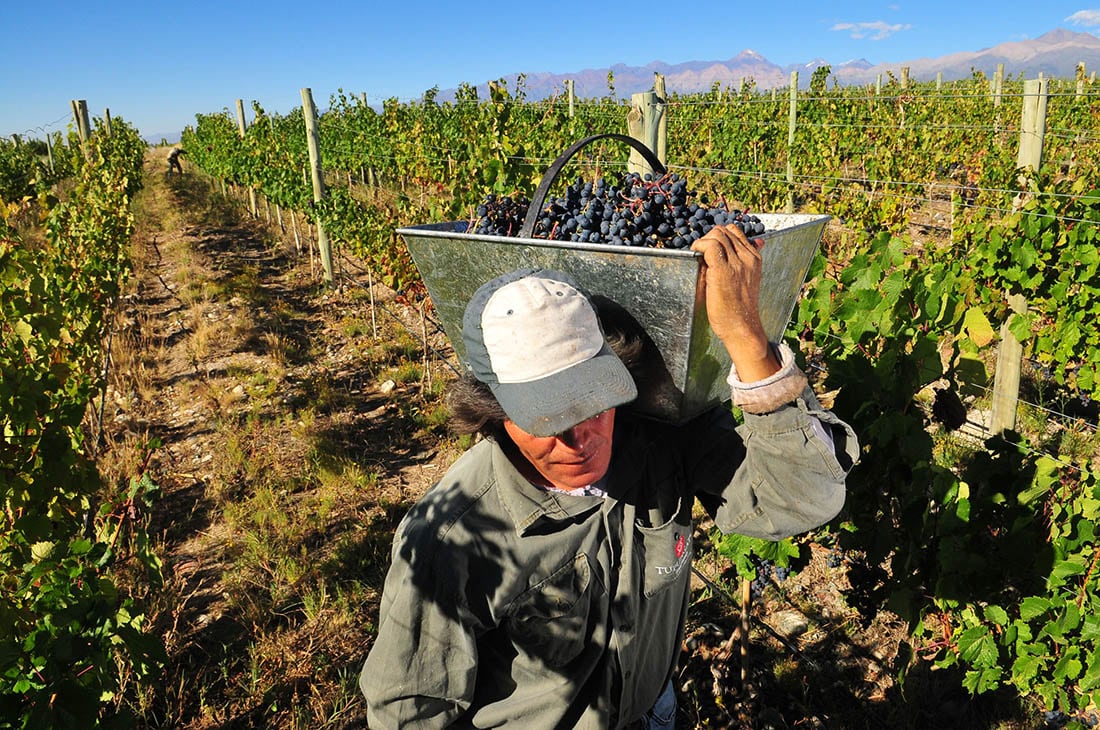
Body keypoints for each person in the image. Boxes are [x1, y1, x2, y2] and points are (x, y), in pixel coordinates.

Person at [359, 224, 859, 728]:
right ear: (493, 412)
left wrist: (748, 339)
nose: (581, 440)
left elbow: (805, 496)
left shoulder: (660, 444)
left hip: (655, 712)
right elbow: (409, 714)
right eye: (548, 418)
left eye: (595, 404)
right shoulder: (448, 540)